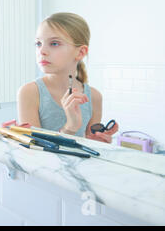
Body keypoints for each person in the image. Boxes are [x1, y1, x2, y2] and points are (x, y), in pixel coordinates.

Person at [17, 12, 118, 142]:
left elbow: (88, 147)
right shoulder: (29, 92)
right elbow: (35, 150)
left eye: (54, 43)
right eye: (38, 43)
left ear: (80, 52)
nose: (41, 51)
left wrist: (100, 143)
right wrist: (70, 128)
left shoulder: (94, 97)